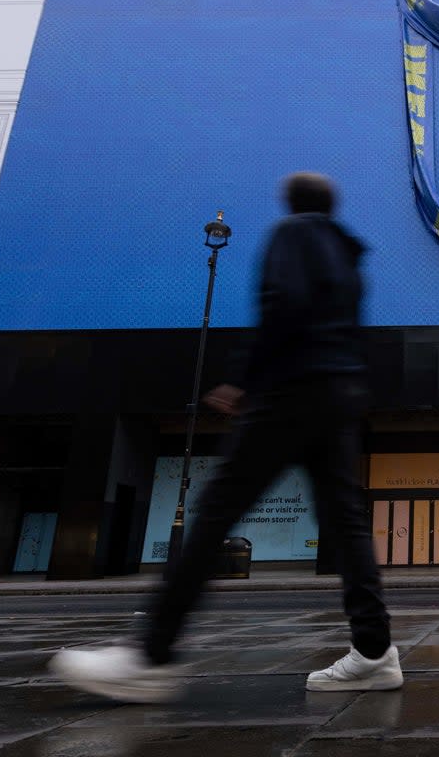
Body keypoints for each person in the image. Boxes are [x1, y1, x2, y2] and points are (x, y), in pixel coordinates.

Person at [49, 173, 401, 701]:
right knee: (346, 523)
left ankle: (151, 656)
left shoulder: (292, 234)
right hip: (338, 394)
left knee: (216, 511)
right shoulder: (348, 257)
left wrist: (242, 377)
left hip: (289, 389)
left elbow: (282, 304)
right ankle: (374, 652)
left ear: (292, 202)